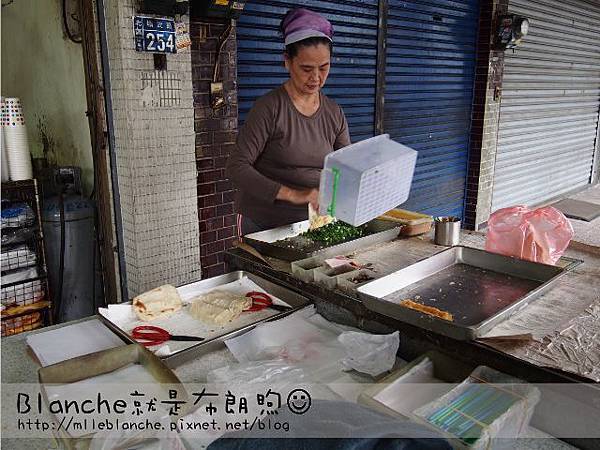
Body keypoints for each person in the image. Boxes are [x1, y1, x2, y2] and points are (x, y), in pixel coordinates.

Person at [226, 8, 351, 235]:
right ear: (287, 62)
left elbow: (346, 167)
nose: (316, 78)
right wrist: (295, 195)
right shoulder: (269, 108)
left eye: (324, 68)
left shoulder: (334, 113)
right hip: (264, 224)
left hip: (312, 224)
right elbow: (237, 167)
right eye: (306, 69)